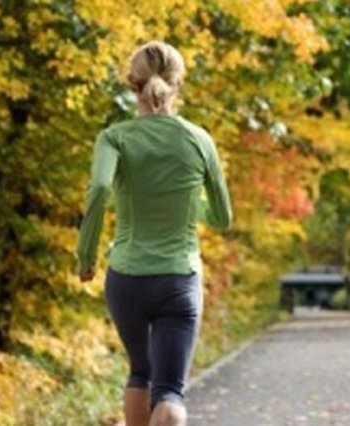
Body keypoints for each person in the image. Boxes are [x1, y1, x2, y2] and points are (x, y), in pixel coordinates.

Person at [75, 40, 233, 426]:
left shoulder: (115, 138)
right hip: (179, 277)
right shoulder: (200, 140)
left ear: (132, 84)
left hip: (126, 278)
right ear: (177, 84)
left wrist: (86, 256)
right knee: (169, 391)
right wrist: (189, 204)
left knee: (139, 372)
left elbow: (98, 190)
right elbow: (223, 218)